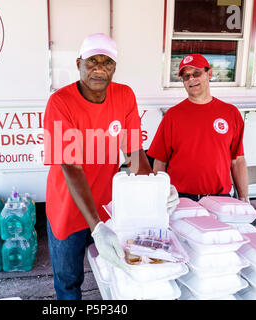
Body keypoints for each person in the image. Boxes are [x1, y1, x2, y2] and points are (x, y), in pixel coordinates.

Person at [43, 33, 179, 300]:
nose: (99, 69)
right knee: (69, 281)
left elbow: (133, 153)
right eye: (92, 61)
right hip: (67, 207)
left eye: (107, 63)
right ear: (79, 62)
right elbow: (71, 167)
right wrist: (95, 228)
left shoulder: (124, 95)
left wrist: (155, 188)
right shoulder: (60, 102)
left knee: (116, 274)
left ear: (114, 67)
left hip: (107, 207)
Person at [148, 53, 249, 203]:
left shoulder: (230, 113)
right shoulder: (172, 116)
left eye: (196, 73)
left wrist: (243, 197)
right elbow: (159, 162)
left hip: (220, 199)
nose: (191, 79)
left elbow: (237, 160)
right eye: (186, 76)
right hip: (181, 198)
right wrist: (161, 196)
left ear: (209, 74)